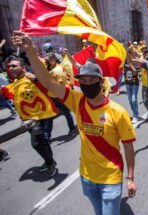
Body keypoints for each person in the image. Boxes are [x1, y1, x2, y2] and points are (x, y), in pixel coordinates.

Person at [13, 31, 137, 215]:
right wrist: (30, 52)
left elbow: (128, 147)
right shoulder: (76, 100)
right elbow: (46, 81)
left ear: (101, 82)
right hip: (87, 177)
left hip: (111, 178)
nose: (87, 83)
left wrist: (130, 178)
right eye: (83, 80)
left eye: (92, 80)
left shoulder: (117, 112)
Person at [0, 56, 58, 177]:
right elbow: (12, 93)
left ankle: (51, 163)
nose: (11, 68)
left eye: (14, 65)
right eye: (9, 66)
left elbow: (51, 86)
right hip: (27, 119)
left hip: (38, 117)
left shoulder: (30, 78)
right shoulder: (16, 82)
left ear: (23, 67)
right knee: (42, 142)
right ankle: (50, 161)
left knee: (36, 143)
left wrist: (36, 79)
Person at [124, 58, 140, 123]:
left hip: (134, 84)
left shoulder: (134, 62)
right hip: (127, 84)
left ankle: (135, 116)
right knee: (130, 101)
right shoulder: (124, 62)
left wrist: (130, 64)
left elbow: (135, 72)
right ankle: (134, 112)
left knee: (134, 100)